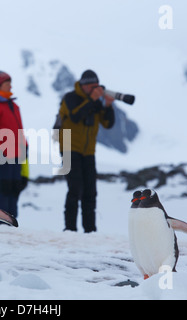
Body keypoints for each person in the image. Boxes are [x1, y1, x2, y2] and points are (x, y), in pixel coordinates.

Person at [58, 69, 115, 232]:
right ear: (83, 86)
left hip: (88, 151)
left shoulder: (95, 102)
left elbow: (108, 123)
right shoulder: (70, 98)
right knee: (74, 189)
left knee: (90, 192)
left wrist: (108, 106)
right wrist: (92, 99)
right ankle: (70, 230)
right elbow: (75, 116)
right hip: (69, 149)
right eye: (91, 86)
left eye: (96, 86)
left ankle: (90, 231)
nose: (94, 89)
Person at [0, 71, 28, 221]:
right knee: (1, 192)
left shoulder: (13, 105)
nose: (10, 85)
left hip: (16, 155)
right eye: (7, 83)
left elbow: (19, 130)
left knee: (14, 191)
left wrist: (24, 147)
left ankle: (11, 225)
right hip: (0, 155)